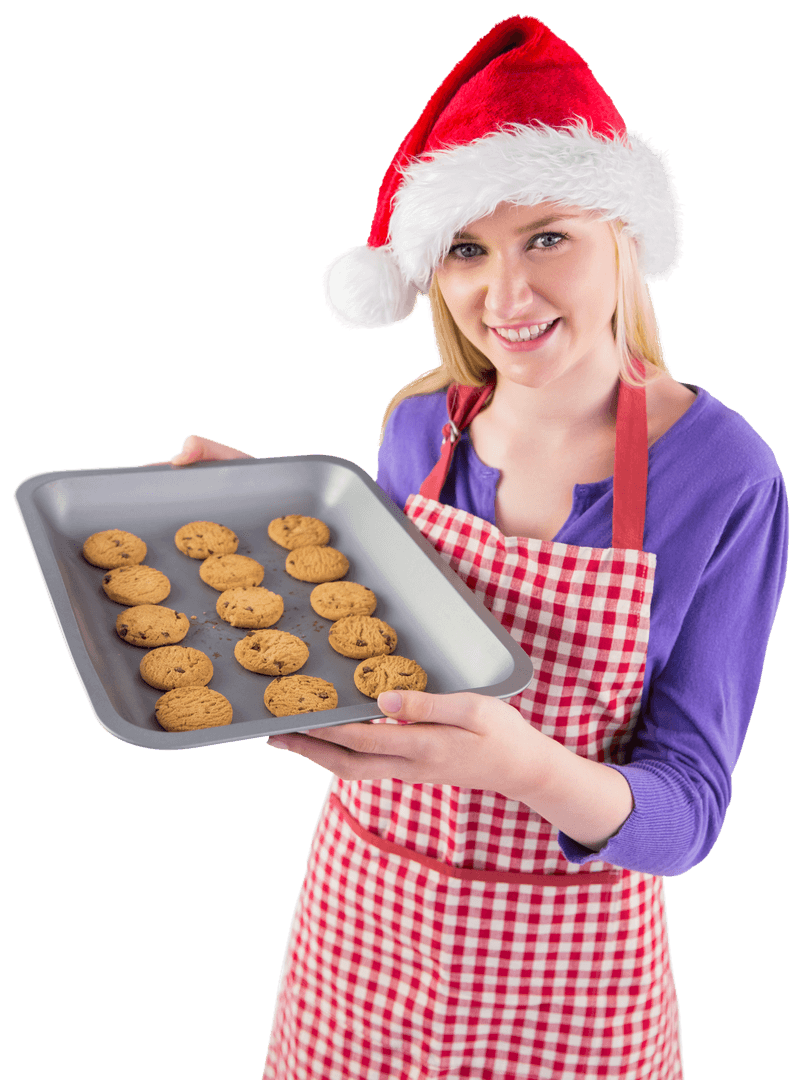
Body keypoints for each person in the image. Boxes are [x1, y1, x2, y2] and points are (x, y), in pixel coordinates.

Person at [169, 16, 788, 1079]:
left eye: (546, 235)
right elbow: (373, 645)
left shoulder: (724, 476)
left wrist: (525, 769)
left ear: (622, 238)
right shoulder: (418, 428)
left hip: (570, 978)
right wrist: (265, 536)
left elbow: (687, 814)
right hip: (363, 932)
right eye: (466, 248)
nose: (503, 296)